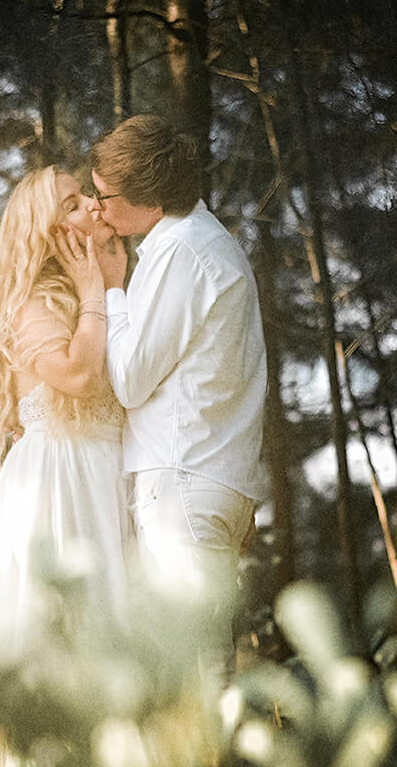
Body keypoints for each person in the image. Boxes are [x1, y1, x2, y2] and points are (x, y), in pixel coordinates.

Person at [87, 115, 268, 680]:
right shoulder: (207, 242)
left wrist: (113, 288)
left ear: (149, 200)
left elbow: (132, 378)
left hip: (182, 481)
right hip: (209, 476)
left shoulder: (180, 251)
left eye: (104, 196)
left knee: (191, 673)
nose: (97, 208)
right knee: (206, 666)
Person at [0, 166, 129, 676]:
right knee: (64, 635)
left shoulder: (88, 295)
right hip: (61, 481)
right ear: (46, 234)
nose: (94, 206)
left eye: (86, 197)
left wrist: (108, 286)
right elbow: (77, 376)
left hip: (105, 475)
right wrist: (97, 288)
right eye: (73, 205)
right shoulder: (33, 304)